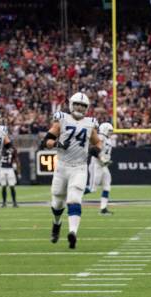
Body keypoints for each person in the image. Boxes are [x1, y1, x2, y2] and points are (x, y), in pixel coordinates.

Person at [40, 92, 102, 249]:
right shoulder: (62, 119)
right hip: (62, 166)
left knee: (74, 198)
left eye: (83, 105)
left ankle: (73, 232)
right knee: (58, 202)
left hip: (79, 167)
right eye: (77, 104)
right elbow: (46, 141)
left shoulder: (90, 123)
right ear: (71, 104)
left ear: (87, 108)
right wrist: (57, 145)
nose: (79, 108)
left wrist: (95, 150)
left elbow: (98, 143)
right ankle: (56, 224)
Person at [85, 122, 114, 215]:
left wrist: (106, 160)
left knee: (107, 186)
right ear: (104, 129)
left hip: (103, 166)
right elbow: (92, 150)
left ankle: (103, 208)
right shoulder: (100, 137)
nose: (111, 133)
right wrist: (102, 159)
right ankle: (71, 196)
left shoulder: (108, 139)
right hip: (96, 165)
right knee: (92, 188)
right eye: (109, 131)